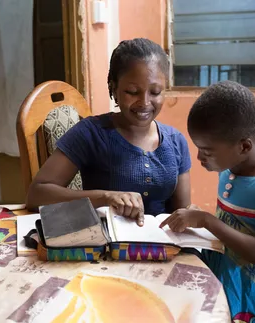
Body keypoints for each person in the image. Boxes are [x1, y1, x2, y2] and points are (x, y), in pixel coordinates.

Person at [160, 81, 255, 322]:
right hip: (230, 273)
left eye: (207, 151)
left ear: (244, 146)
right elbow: (232, 225)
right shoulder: (229, 167)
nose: (199, 157)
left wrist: (207, 220)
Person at [27, 38, 192, 226]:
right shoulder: (91, 134)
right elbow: (36, 195)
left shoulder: (175, 141)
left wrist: (191, 216)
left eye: (155, 92)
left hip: (163, 248)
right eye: (132, 91)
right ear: (114, 88)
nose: (145, 102)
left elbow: (181, 212)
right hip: (105, 247)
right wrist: (105, 197)